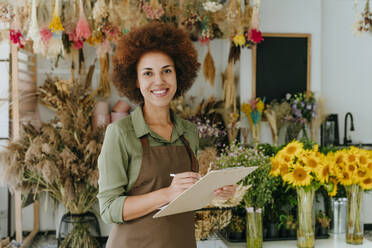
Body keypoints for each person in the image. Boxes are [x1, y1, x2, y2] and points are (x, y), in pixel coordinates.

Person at [97, 22, 236, 248]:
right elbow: (108, 209)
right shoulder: (120, 133)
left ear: (178, 75)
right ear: (136, 80)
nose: (159, 81)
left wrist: (214, 192)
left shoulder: (188, 132)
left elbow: (183, 197)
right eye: (148, 73)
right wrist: (166, 194)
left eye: (166, 71)